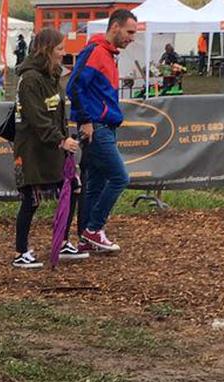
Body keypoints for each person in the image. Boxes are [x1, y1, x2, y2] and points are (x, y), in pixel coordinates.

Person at [11, 27, 86, 269]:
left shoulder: (52, 75)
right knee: (31, 199)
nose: (65, 53)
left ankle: (62, 241)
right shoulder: (30, 79)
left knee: (72, 187)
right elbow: (37, 117)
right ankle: (21, 251)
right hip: (33, 150)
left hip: (55, 148)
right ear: (46, 50)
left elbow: (57, 111)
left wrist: (66, 137)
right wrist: (60, 139)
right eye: (60, 49)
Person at [68, 9, 137, 255]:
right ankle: (94, 229)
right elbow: (74, 86)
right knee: (120, 177)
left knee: (95, 184)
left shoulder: (108, 54)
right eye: (129, 32)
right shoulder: (96, 52)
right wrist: (85, 119)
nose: (132, 38)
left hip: (104, 125)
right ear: (115, 27)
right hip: (96, 126)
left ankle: (87, 236)